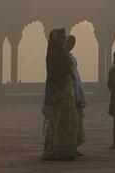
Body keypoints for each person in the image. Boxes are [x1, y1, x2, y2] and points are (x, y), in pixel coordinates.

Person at [41, 28, 80, 161]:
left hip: (66, 90)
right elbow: (55, 73)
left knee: (69, 121)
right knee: (58, 122)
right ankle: (56, 150)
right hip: (58, 90)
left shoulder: (61, 53)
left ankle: (66, 150)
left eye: (63, 38)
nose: (63, 40)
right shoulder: (53, 54)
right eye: (60, 38)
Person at [66, 35, 86, 155]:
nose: (72, 44)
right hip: (67, 90)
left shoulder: (70, 56)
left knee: (75, 120)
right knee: (69, 120)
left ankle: (73, 146)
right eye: (70, 42)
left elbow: (75, 75)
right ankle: (67, 147)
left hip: (74, 88)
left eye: (74, 42)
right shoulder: (62, 57)